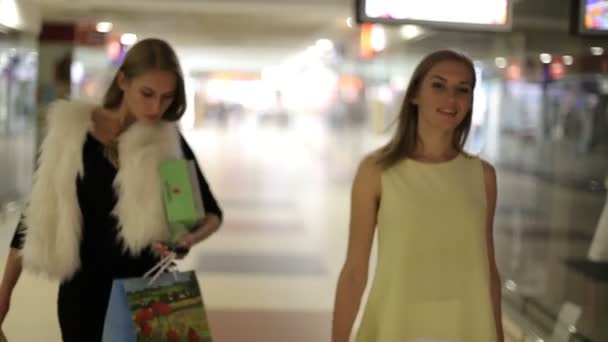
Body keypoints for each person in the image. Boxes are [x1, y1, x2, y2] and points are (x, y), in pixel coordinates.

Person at [0, 38, 223, 341]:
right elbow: (36, 212)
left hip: (146, 294)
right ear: (123, 81)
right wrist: (5, 293)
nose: (156, 107)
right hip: (82, 295)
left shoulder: (167, 143)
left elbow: (211, 214)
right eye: (147, 94)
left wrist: (187, 238)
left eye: (166, 97)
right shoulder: (72, 132)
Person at [332, 50, 503, 342]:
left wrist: (497, 334)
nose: (451, 99)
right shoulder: (377, 171)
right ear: (414, 96)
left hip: (467, 325)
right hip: (396, 322)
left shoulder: (482, 176)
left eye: (462, 90)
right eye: (438, 86)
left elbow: (488, 268)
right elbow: (354, 270)